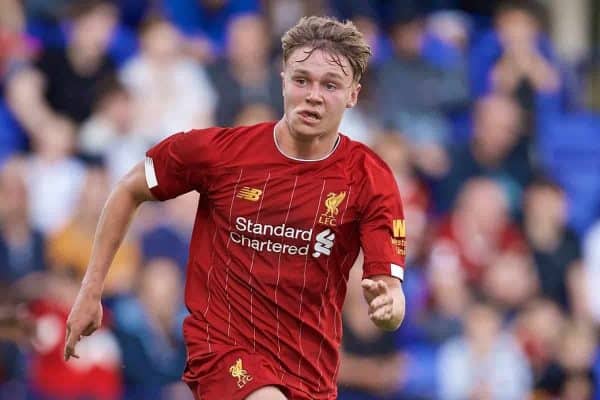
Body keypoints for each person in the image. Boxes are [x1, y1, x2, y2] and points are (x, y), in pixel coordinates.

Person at [64, 16, 407, 400]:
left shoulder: (369, 177)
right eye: (301, 80)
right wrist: (90, 291)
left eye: (330, 85)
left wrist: (389, 307)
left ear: (353, 95)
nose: (313, 95)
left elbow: (390, 292)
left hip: (310, 370)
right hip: (222, 352)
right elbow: (128, 189)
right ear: (282, 81)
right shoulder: (219, 153)